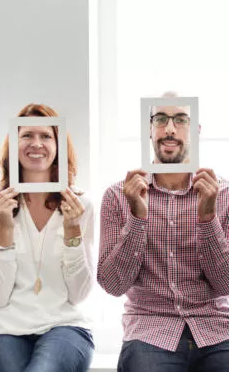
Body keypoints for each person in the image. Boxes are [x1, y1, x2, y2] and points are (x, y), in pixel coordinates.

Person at [98, 94, 229, 371]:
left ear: (196, 131)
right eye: (160, 119)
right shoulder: (117, 195)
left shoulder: (224, 195)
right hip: (149, 330)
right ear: (149, 129)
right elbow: (112, 285)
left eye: (181, 119)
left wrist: (208, 218)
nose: (170, 128)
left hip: (217, 329)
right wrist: (137, 218)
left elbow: (226, 284)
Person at [0, 103, 95, 372]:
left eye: (46, 136)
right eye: (27, 135)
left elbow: (79, 294)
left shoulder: (81, 204)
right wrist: (5, 228)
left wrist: (73, 228)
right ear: (13, 144)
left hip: (65, 327)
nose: (36, 144)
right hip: (4, 329)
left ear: (58, 145)